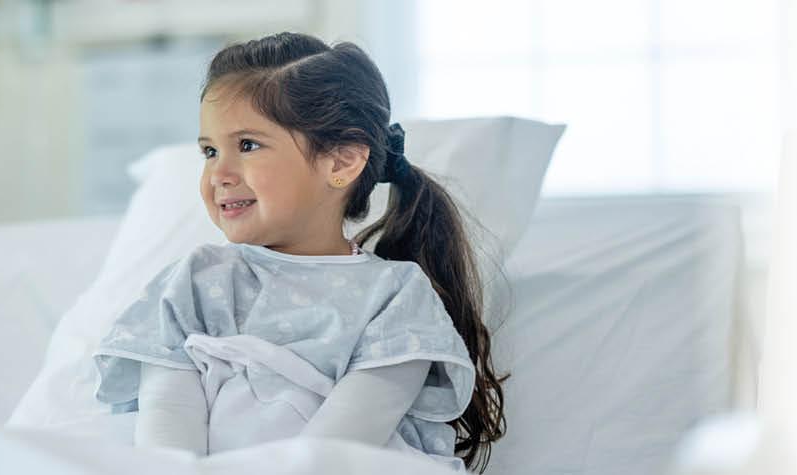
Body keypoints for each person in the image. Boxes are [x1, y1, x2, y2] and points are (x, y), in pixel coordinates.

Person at [92, 32, 506, 473]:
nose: (220, 173)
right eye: (210, 151)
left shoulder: (395, 297)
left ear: (341, 162)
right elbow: (166, 437)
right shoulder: (195, 281)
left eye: (248, 145)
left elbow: (336, 451)